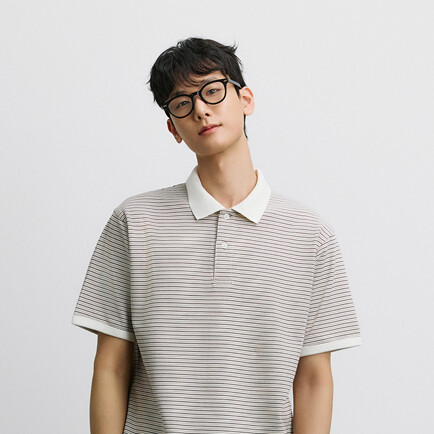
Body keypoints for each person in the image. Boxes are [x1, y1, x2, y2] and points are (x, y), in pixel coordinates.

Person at [71, 37, 362, 434]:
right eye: (182, 103)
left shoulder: (311, 235)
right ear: (173, 128)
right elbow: (111, 365)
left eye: (212, 90)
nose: (200, 109)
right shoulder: (134, 222)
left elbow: (313, 378)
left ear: (246, 100)